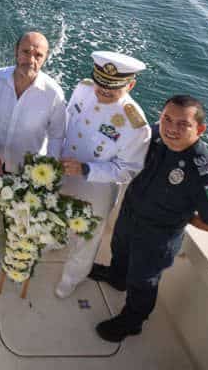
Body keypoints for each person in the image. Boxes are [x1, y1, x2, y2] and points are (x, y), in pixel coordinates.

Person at [91, 95, 208, 342]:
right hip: (130, 215)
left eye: (182, 124)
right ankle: (116, 277)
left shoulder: (206, 175)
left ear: (200, 129)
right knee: (119, 250)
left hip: (157, 237)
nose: (171, 128)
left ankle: (132, 321)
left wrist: (182, 217)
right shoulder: (155, 136)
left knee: (142, 282)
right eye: (167, 119)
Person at [55, 51, 151, 298]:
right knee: (56, 214)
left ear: (130, 85)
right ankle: (55, 241)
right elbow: (66, 120)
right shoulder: (84, 88)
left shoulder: (135, 126)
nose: (103, 92)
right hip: (63, 171)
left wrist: (86, 169)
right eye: (100, 85)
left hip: (96, 188)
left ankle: (72, 278)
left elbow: (127, 170)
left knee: (87, 237)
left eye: (112, 89)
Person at [0, 31, 67, 246]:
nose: (31, 59)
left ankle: (13, 231)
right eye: (26, 52)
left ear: (46, 58)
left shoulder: (54, 94)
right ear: (16, 52)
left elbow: (57, 136)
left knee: (19, 209)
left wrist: (48, 173)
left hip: (27, 167)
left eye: (38, 55)